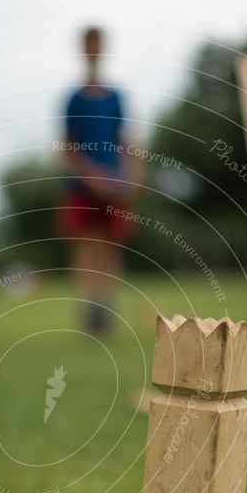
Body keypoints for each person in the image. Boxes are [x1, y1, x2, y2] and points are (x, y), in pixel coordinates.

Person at [58, 26, 139, 332]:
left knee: (110, 247)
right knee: (87, 246)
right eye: (89, 44)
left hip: (114, 187)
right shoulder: (73, 99)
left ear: (103, 48)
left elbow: (123, 139)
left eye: (97, 44)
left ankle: (106, 309)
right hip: (83, 186)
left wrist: (129, 175)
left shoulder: (116, 97)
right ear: (83, 49)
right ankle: (88, 311)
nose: (93, 49)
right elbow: (67, 147)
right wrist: (91, 176)